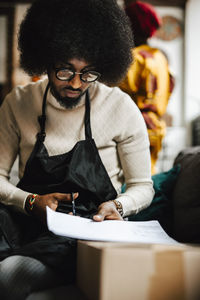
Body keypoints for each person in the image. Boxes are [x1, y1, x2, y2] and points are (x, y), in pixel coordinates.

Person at [0, 0, 154, 298]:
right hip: (26, 220)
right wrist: (30, 202)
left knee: (8, 276)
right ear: (45, 60)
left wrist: (119, 206)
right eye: (65, 71)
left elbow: (142, 186)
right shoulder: (18, 103)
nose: (76, 83)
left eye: (89, 74)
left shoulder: (121, 107)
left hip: (85, 232)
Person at [119, 0, 175, 174]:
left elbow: (117, 93)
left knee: (132, 183)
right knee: (148, 176)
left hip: (135, 127)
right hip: (155, 126)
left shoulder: (134, 58)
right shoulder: (159, 57)